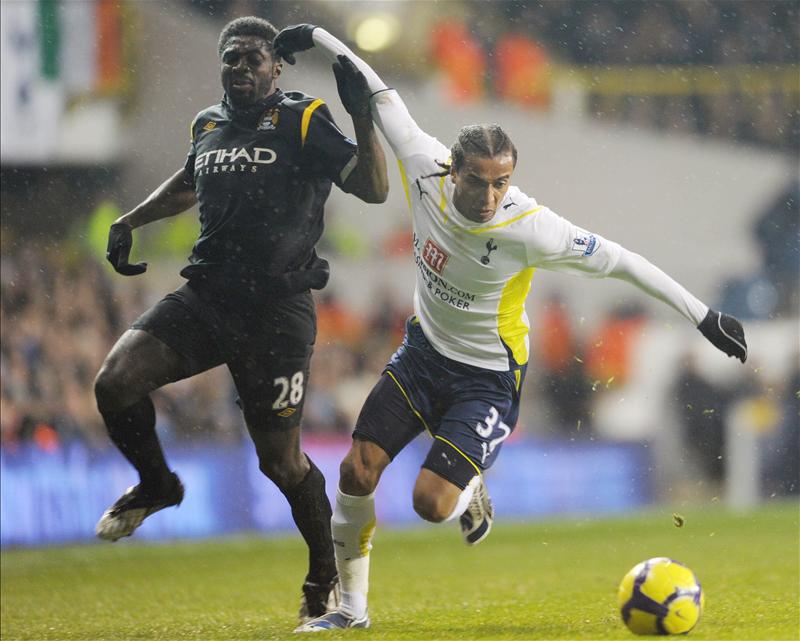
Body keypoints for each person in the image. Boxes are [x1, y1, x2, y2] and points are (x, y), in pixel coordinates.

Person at [273, 24, 748, 632]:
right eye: (480, 180)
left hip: (487, 379)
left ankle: (467, 489)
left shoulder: (531, 227)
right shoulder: (422, 163)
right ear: (454, 170)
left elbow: (624, 261)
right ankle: (351, 611)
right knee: (355, 471)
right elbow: (379, 90)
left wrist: (703, 316)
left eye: (502, 181)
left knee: (428, 504)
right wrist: (315, 36)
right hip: (421, 354)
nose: (492, 194)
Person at [92, 16, 387, 623]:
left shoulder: (305, 120)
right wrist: (131, 220)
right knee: (115, 381)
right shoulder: (206, 124)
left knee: (279, 462)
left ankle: (323, 579)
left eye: (254, 59)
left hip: (277, 313)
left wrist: (363, 117)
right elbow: (188, 181)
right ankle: (158, 485)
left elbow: (374, 188)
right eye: (232, 59)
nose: (242, 69)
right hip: (209, 299)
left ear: (276, 66)